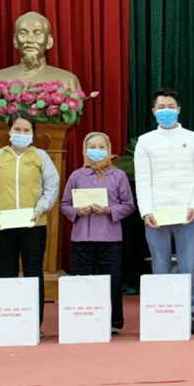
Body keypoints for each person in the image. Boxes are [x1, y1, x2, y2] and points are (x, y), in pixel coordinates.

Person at [134, 88, 194, 335]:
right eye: (161, 107)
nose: (166, 111)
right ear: (153, 111)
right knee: (160, 267)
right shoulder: (145, 141)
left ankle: (189, 316)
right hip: (157, 214)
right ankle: (163, 313)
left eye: (170, 107)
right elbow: (142, 179)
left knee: (188, 267)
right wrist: (146, 211)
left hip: (187, 214)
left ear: (178, 109)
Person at [0, 112, 60, 331]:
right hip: (3, 224)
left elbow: (51, 186)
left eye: (26, 130)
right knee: (7, 272)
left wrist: (40, 208)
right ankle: (10, 322)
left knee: (34, 272)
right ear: (9, 131)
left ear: (33, 134)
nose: (21, 134)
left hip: (33, 224)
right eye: (17, 129)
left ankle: (34, 324)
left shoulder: (40, 157)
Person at [59, 132, 136, 334]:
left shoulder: (118, 176)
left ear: (109, 150)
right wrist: (77, 211)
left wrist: (109, 210)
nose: (97, 150)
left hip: (110, 237)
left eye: (102, 147)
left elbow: (129, 205)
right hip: (81, 237)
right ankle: (83, 318)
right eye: (92, 147)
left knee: (112, 281)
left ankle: (114, 322)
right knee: (82, 280)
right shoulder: (76, 176)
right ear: (85, 150)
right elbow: (65, 204)